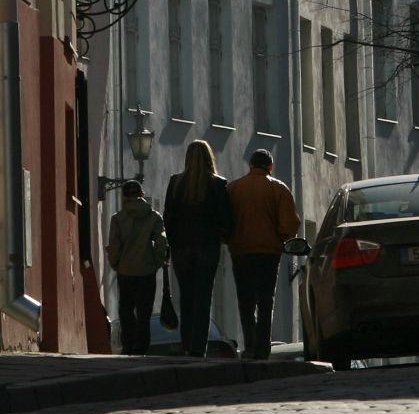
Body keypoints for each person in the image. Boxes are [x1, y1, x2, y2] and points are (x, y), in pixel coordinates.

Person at [227, 148, 300, 361]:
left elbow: (224, 221)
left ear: (250, 166)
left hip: (241, 251)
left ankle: (249, 345)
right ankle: (262, 348)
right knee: (266, 300)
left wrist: (231, 239)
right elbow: (289, 225)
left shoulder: (233, 188)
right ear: (270, 166)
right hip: (268, 252)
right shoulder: (278, 188)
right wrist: (280, 238)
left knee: (246, 300)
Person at [162, 139, 233, 356]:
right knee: (203, 297)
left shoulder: (176, 183)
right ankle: (197, 348)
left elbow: (168, 218)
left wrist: (172, 244)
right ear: (208, 157)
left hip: (181, 248)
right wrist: (222, 237)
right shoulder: (218, 184)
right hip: (207, 246)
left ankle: (186, 344)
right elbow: (226, 219)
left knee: (186, 297)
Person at [104, 180, 168, 354]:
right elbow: (162, 243)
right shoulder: (154, 217)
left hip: (125, 271)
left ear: (124, 196)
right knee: (144, 313)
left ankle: (128, 346)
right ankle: (142, 347)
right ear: (141, 195)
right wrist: (156, 262)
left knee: (126, 311)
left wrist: (116, 264)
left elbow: (114, 246)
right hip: (147, 272)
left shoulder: (118, 219)